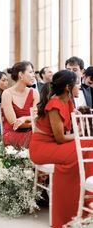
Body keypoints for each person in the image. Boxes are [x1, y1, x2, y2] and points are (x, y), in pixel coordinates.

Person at [29, 70, 93, 228]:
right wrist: (80, 136)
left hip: (56, 145)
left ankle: (84, 204)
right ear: (67, 87)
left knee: (88, 146)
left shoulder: (69, 101)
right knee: (87, 145)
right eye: (77, 84)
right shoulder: (55, 104)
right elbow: (61, 138)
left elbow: (68, 133)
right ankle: (78, 207)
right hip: (43, 147)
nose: (80, 87)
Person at [1, 61, 39, 148]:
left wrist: (25, 118)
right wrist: (33, 123)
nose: (34, 75)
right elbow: (14, 123)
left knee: (43, 135)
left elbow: (36, 116)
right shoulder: (7, 93)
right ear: (21, 75)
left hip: (31, 131)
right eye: (30, 72)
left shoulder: (34, 93)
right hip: (12, 133)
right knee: (40, 137)